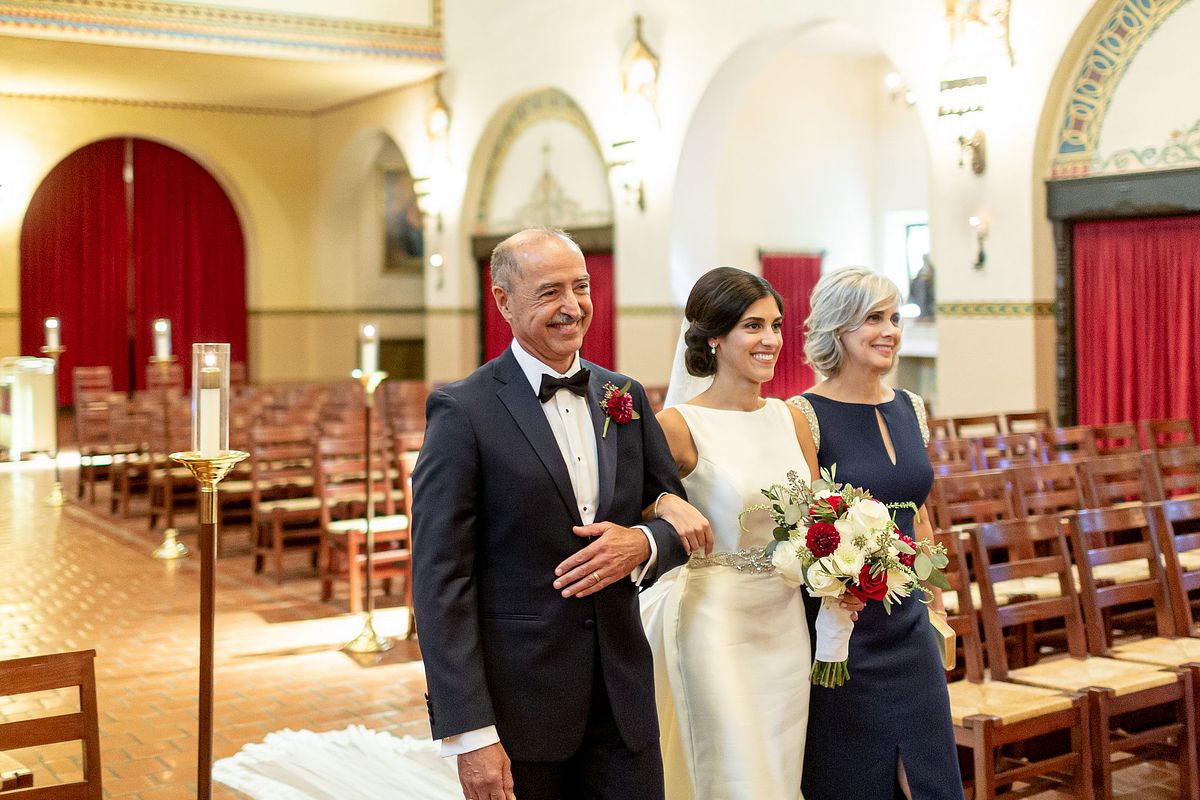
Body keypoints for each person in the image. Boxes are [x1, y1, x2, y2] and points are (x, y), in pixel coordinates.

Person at [411, 227, 711, 800]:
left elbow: (676, 514)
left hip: (623, 700)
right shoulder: (462, 410)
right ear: (503, 301)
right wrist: (469, 731)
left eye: (581, 286)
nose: (571, 306)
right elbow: (440, 580)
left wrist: (643, 544)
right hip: (520, 711)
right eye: (550, 292)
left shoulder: (622, 396)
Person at [640, 267, 861, 800]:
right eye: (752, 327)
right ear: (714, 337)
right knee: (735, 769)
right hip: (714, 621)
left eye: (776, 325)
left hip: (783, 621)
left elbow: (819, 512)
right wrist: (668, 504)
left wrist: (851, 557)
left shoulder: (791, 419)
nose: (771, 341)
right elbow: (633, 504)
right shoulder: (679, 424)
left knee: (778, 768)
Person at [789, 267, 960, 799]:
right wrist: (842, 595)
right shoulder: (803, 414)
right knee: (857, 775)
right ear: (837, 329)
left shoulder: (912, 407)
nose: (889, 330)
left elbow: (921, 513)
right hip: (848, 625)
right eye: (872, 319)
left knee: (929, 775)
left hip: (910, 620)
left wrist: (936, 595)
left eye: (893, 317)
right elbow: (804, 526)